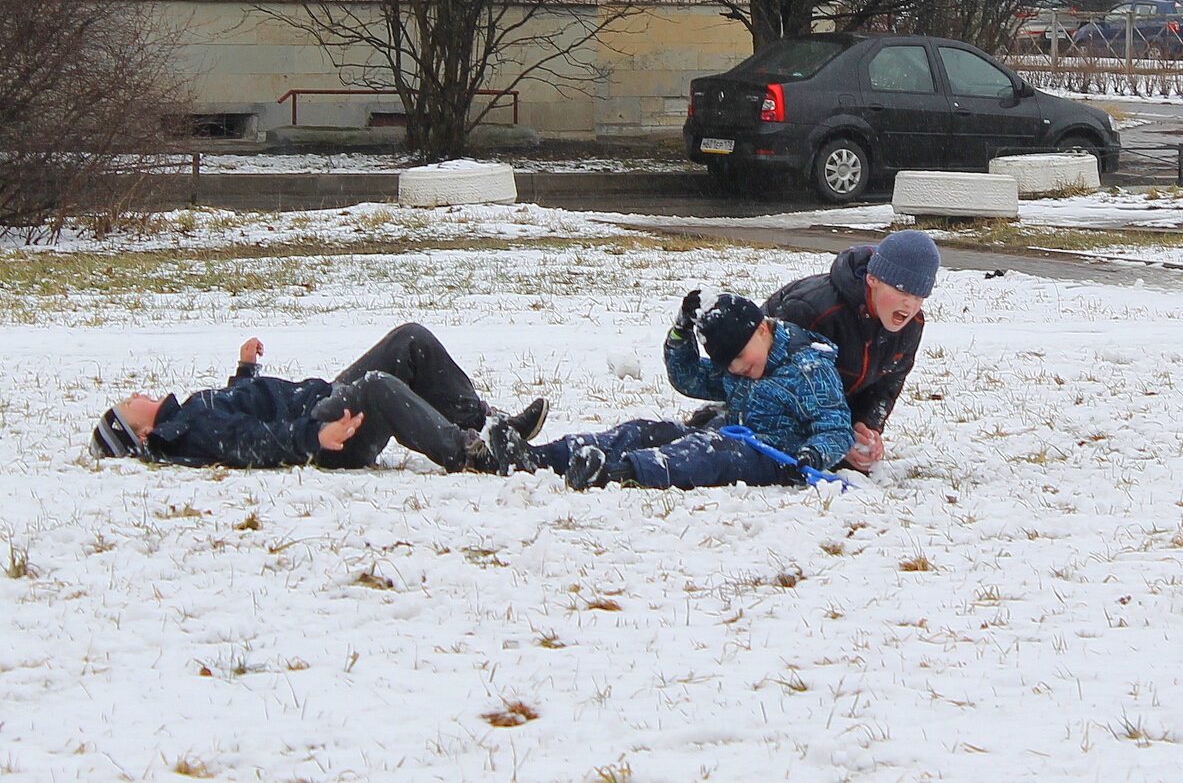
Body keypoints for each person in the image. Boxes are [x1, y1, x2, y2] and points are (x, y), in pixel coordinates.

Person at [489, 292, 853, 491]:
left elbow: (836, 428)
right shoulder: (739, 367)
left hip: (775, 457)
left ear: (762, 330)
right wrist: (680, 333)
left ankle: (613, 472)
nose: (737, 370)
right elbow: (690, 378)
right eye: (729, 365)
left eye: (740, 358)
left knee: (703, 452)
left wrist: (812, 455)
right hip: (730, 435)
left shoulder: (808, 370)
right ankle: (541, 457)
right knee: (646, 431)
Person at [89, 323, 548, 473]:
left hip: (320, 401)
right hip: (323, 435)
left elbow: (241, 410)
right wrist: (316, 435)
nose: (133, 395)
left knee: (410, 341)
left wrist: (245, 371)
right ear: (144, 433)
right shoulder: (185, 430)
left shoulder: (188, 414)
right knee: (375, 387)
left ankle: (489, 425)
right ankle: (473, 453)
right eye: (128, 406)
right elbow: (251, 441)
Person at [761, 229, 940, 473]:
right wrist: (834, 438)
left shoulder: (911, 326)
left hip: (832, 413)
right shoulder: (812, 310)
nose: (910, 305)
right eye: (901, 291)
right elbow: (774, 386)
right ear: (872, 279)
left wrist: (866, 425)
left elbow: (887, 384)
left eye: (919, 296)